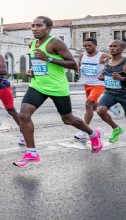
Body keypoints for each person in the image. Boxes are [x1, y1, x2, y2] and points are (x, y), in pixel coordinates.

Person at [15, 16, 103, 168]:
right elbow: (39, 63)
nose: (34, 28)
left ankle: (93, 134)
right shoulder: (33, 43)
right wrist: (33, 71)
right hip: (38, 85)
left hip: (57, 87)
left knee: (68, 119)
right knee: (24, 114)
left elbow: (73, 64)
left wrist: (49, 58)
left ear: (48, 28)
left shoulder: (56, 42)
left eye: (38, 26)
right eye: (32, 25)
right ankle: (32, 153)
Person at [95, 40, 126, 147]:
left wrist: (122, 78)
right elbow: (106, 70)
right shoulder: (107, 60)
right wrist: (101, 76)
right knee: (100, 110)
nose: (112, 48)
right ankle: (116, 128)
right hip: (110, 92)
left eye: (115, 46)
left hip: (125, 94)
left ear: (122, 49)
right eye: (110, 46)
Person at [74, 38, 121, 140]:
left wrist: (107, 72)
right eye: (85, 45)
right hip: (87, 83)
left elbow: (116, 61)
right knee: (94, 107)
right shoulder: (82, 55)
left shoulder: (102, 56)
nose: (87, 47)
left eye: (89, 45)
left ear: (95, 46)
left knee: (88, 104)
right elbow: (80, 65)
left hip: (99, 84)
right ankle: (114, 122)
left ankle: (83, 131)